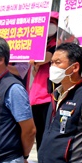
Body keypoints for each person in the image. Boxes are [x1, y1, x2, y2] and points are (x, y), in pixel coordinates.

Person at [29, 11, 59, 149]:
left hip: (48, 96)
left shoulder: (57, 45)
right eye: (49, 23)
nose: (50, 26)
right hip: (36, 96)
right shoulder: (44, 44)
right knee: (39, 133)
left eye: (53, 22)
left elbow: (45, 58)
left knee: (46, 133)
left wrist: (36, 59)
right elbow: (36, 71)